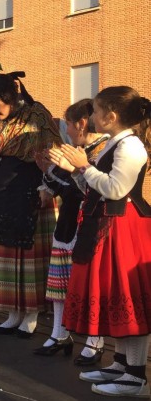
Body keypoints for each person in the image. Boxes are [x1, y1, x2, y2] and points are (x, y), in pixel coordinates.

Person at [52, 87, 151, 398]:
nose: (91, 117)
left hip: (123, 226)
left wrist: (83, 166)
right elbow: (93, 189)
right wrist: (76, 171)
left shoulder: (131, 146)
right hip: (107, 225)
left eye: (95, 111)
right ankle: (121, 363)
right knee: (114, 294)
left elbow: (116, 188)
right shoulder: (115, 142)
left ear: (112, 116)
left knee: (127, 294)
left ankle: (136, 375)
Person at [0, 73, 61, 337]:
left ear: (11, 99)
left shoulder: (37, 116)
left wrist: (48, 186)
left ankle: (31, 313)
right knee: (6, 258)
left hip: (30, 191)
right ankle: (13, 312)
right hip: (0, 193)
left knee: (26, 258)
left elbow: (51, 154)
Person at [32, 99, 108, 362]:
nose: (68, 131)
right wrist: (49, 172)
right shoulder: (82, 149)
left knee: (87, 285)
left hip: (89, 224)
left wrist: (71, 168)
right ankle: (59, 333)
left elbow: (94, 190)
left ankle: (94, 340)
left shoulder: (102, 151)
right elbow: (67, 187)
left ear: (80, 124)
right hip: (68, 221)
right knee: (60, 284)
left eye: (68, 125)